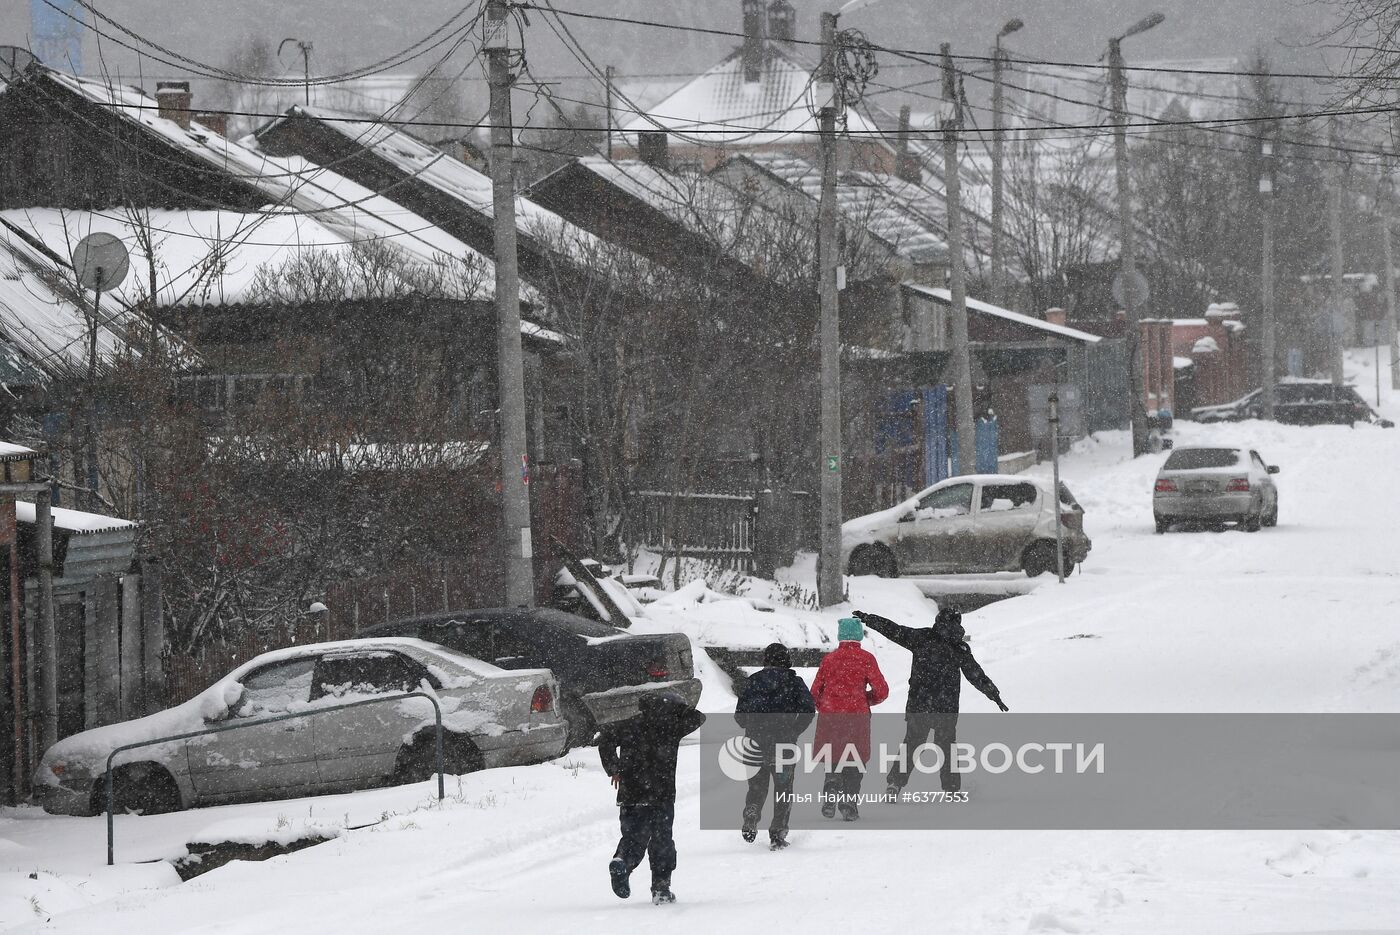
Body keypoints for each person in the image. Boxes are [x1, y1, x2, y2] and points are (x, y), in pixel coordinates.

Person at [853, 607, 1007, 795]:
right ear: (958, 624)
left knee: (911, 745)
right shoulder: (958, 647)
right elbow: (975, 674)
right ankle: (951, 789)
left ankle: (894, 785)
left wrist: (870, 619)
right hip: (946, 707)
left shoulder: (923, 638)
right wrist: (993, 694)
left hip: (920, 703)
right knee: (947, 748)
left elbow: (894, 630)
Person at [598, 691, 706, 905]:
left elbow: (605, 738)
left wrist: (614, 768)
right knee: (661, 841)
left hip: (631, 792)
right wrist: (679, 707)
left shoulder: (628, 725)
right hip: (661, 794)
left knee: (633, 837)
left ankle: (622, 862)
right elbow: (699, 717)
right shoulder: (671, 727)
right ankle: (661, 888)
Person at [734, 642, 816, 849]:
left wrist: (751, 727)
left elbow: (740, 716)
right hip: (784, 745)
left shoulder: (752, 682)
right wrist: (794, 730)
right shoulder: (794, 682)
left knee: (757, 787)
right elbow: (808, 709)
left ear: (766, 660)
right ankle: (777, 834)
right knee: (783, 790)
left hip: (754, 744)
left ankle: (752, 810)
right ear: (786, 660)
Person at [811, 617, 889, 821]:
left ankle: (831, 785)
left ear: (840, 636)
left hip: (831, 717)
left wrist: (826, 706)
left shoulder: (829, 660)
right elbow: (882, 691)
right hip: (856, 717)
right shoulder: (866, 659)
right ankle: (849, 803)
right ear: (858, 635)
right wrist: (864, 700)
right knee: (855, 760)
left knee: (834, 755)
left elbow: (814, 692)